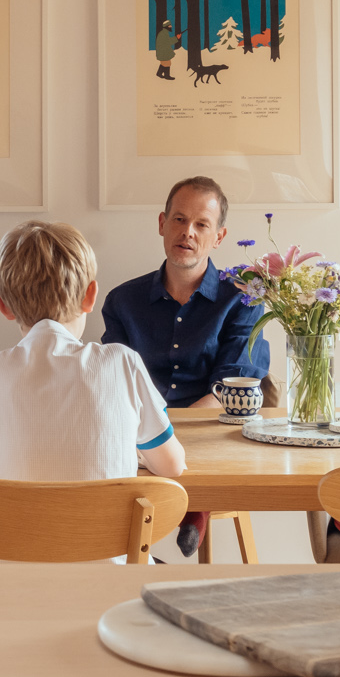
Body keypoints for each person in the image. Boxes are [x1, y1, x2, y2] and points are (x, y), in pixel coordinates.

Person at [0, 221, 186, 562]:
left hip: (0, 591)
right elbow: (172, 466)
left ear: (3, 305)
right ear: (90, 296)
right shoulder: (122, 363)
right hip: (102, 589)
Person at [99, 175, 265, 559]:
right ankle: (134, 554)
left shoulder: (241, 299)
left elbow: (233, 386)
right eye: (178, 219)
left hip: (211, 431)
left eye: (201, 224)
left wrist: (172, 431)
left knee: (212, 435)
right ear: (161, 223)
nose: (187, 232)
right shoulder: (123, 300)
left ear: (219, 236)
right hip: (139, 433)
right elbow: (112, 380)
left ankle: (193, 511)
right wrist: (149, 433)